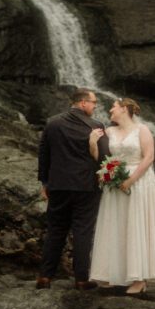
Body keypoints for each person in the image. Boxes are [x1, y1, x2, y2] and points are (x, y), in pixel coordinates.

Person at [89, 97, 155, 295]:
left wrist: (131, 180)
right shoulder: (109, 132)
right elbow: (102, 160)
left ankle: (139, 279)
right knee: (116, 224)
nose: (110, 110)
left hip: (140, 181)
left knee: (137, 224)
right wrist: (93, 144)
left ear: (125, 109)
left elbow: (149, 157)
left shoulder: (142, 130)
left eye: (114, 107)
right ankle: (113, 274)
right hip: (115, 182)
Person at [36, 87, 109, 290]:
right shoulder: (96, 126)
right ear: (83, 103)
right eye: (93, 102)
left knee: (55, 231)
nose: (95, 106)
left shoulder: (53, 123)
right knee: (82, 232)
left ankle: (45, 277)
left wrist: (45, 183)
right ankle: (81, 279)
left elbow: (43, 155)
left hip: (58, 185)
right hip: (86, 186)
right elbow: (104, 158)